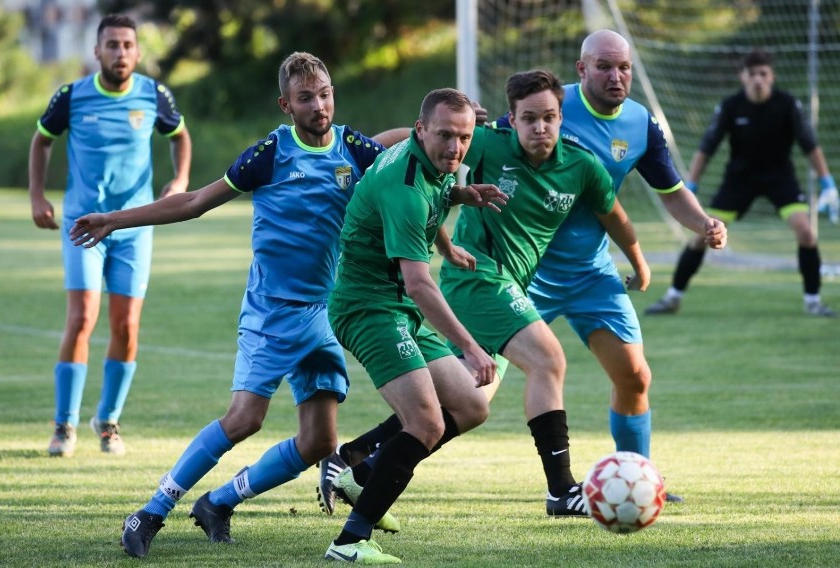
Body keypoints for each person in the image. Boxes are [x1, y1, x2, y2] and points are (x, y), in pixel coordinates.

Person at [317, 30, 728, 517]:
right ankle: (561, 490)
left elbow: (616, 212)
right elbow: (426, 153)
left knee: (471, 400)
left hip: (559, 277)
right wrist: (384, 151)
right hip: (485, 276)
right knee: (546, 363)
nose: (540, 127)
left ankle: (358, 465)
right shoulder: (490, 142)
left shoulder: (592, 158)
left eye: (549, 118)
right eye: (529, 118)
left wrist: (643, 261)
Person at [70, 51, 400, 559]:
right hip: (273, 312)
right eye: (306, 97)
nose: (320, 105)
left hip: (325, 314)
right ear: (285, 104)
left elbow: (395, 153)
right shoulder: (270, 154)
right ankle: (151, 511)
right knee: (244, 418)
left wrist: (431, 139)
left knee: (317, 443)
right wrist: (117, 219)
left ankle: (219, 502)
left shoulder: (353, 149)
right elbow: (194, 201)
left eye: (326, 93)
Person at [323, 88, 508, 564]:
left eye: (464, 137)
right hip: (368, 308)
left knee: (469, 406)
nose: (455, 147)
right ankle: (349, 543)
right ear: (421, 128)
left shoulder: (420, 155)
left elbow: (438, 191)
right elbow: (421, 285)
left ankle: (361, 477)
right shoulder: (403, 191)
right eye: (445, 134)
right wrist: (470, 346)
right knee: (425, 422)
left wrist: (457, 211)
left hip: (396, 304)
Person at [29, 13, 192, 458]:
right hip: (83, 225)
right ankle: (64, 425)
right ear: (96, 51)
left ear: (137, 53)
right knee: (82, 317)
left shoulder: (153, 94)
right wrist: (38, 195)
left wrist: (179, 181)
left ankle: (109, 421)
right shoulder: (71, 96)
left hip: (133, 228)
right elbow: (42, 139)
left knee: (126, 324)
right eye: (112, 45)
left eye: (127, 45)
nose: (120, 53)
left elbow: (180, 137)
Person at [646, 47, 837, 317]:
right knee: (704, 234)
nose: (757, 78)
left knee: (806, 232)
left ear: (771, 77)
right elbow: (707, 147)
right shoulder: (730, 106)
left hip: (780, 179)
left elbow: (810, 145)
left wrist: (827, 181)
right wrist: (690, 186)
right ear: (742, 76)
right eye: (752, 73)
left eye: (763, 73)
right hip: (739, 180)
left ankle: (813, 301)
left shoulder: (787, 104)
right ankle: (672, 297)